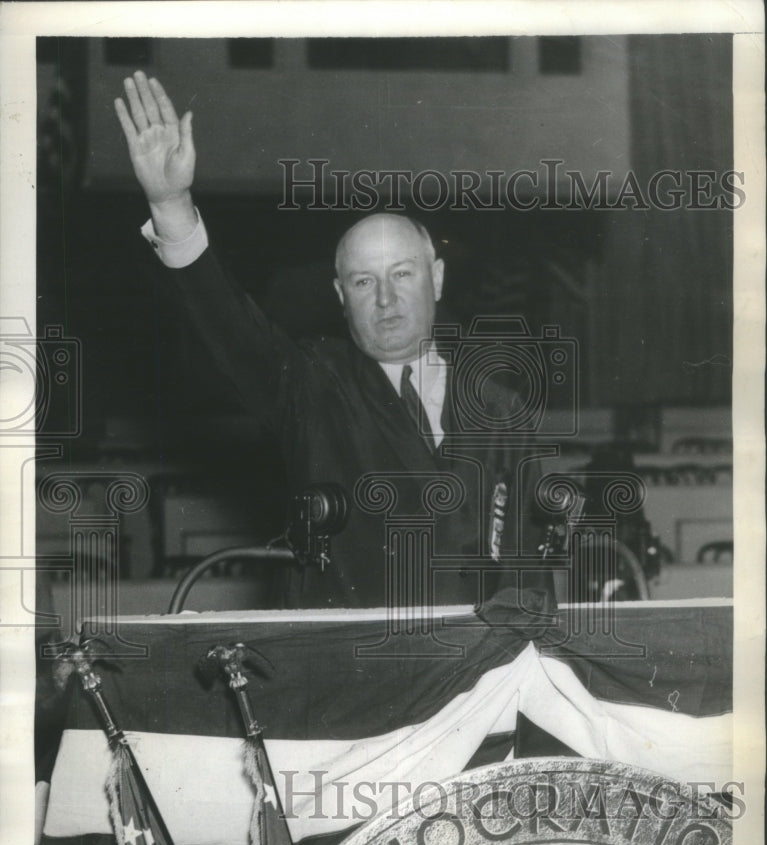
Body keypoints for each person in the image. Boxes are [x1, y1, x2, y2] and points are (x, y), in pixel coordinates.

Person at [115, 72, 550, 610]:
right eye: (365, 282)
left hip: (483, 678)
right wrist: (172, 205)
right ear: (341, 295)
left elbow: (530, 579)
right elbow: (232, 330)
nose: (385, 298)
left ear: (436, 277)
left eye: (403, 274)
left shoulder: (503, 409)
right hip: (358, 675)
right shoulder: (313, 387)